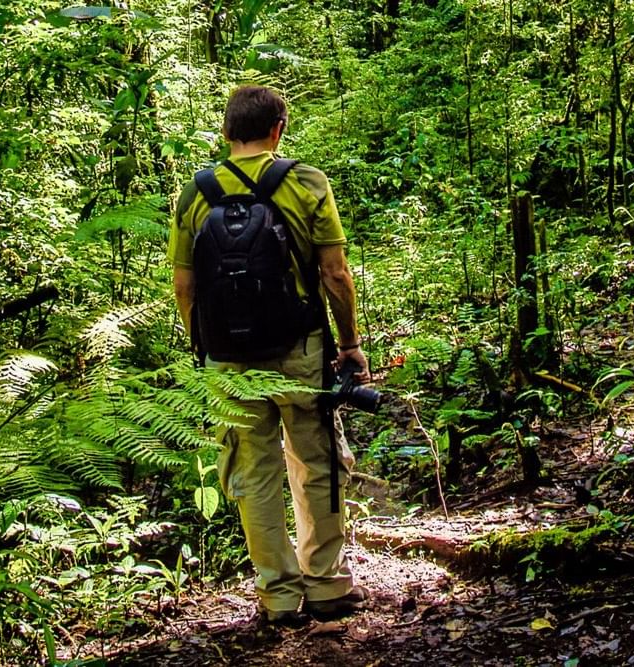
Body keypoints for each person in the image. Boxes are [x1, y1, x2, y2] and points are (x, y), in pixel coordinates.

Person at [167, 85, 369, 625]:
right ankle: (325, 583)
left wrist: (205, 345)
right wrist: (349, 344)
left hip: (227, 359)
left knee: (252, 472)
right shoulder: (305, 182)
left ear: (227, 131)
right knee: (318, 462)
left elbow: (184, 286)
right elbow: (334, 273)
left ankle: (279, 595)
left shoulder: (195, 193)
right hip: (300, 347)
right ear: (278, 129)